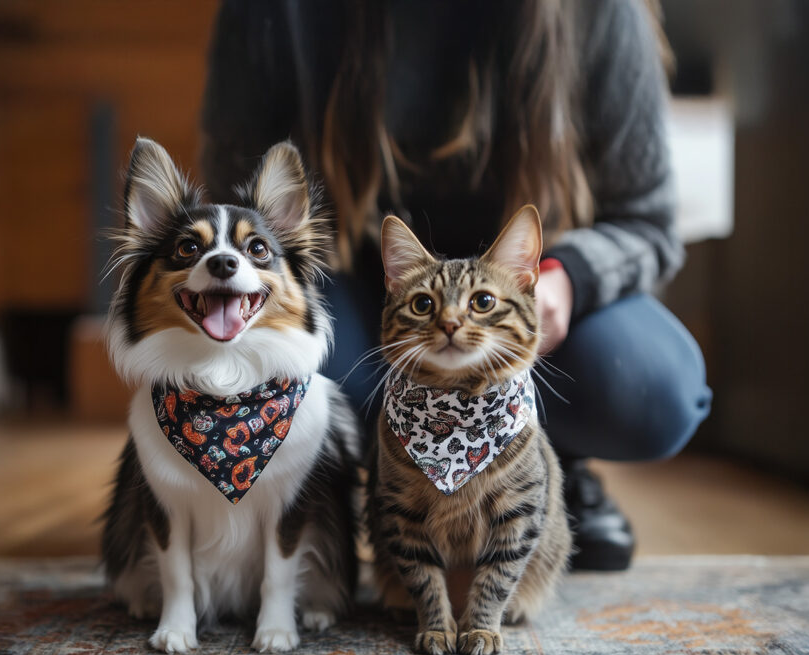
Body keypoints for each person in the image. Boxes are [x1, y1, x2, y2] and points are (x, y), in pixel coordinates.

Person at [199, 0, 710, 570]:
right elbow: (236, 208)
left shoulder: (598, 11)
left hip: (530, 284)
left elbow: (647, 222)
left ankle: (539, 469)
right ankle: (379, 489)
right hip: (353, 278)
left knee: (653, 391)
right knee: (290, 375)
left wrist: (564, 281)